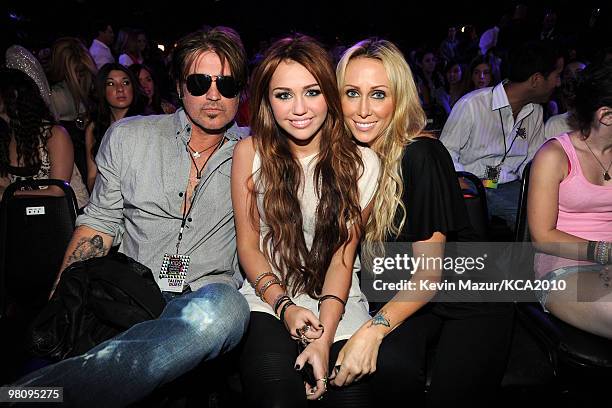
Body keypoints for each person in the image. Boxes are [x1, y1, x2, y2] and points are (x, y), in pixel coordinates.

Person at [11, 26, 251, 406]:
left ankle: (41, 396)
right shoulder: (129, 137)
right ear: (178, 83)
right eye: (200, 81)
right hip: (129, 294)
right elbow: (99, 223)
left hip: (204, 303)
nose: (213, 95)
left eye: (227, 83)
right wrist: (61, 301)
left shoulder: (258, 155)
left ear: (242, 89)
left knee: (227, 310)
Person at [334, 38, 514, 407]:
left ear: (399, 99)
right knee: (391, 369)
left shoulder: (421, 154)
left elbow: (428, 276)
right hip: (404, 294)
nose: (364, 109)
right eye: (352, 93)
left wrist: (371, 331)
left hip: (469, 299)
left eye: (379, 94)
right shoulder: (347, 159)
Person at [233, 34, 380, 406]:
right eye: (283, 95)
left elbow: (342, 258)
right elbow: (249, 247)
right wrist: (285, 307)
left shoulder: (363, 164)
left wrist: (324, 338)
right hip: (267, 299)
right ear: (267, 101)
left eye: (311, 92)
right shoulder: (249, 154)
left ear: (329, 95)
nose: (299, 108)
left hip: (338, 303)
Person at [440, 40, 563, 232]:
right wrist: (465, 182)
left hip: (510, 185)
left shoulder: (535, 112)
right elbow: (446, 152)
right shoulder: (473, 105)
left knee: (547, 218)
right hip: (471, 185)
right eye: (556, 76)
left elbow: (532, 161)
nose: (558, 82)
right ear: (536, 79)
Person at [529, 61, 612, 339]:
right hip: (565, 264)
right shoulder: (555, 155)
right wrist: (606, 252)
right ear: (606, 115)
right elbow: (542, 236)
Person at [0, 68, 89, 208]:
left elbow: (57, 191)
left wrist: (10, 194)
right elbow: (3, 183)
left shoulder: (54, 134)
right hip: (24, 217)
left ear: (13, 96)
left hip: (64, 216)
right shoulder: (6, 136)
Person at [85, 63, 145, 191]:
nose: (120, 89)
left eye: (126, 83)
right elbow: (92, 177)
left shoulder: (144, 124)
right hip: (105, 199)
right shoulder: (94, 127)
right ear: (102, 90)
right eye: (111, 84)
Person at [48, 37, 98, 185]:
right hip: (68, 160)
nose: (80, 76)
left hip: (88, 156)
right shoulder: (55, 95)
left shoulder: (92, 91)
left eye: (82, 72)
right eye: (77, 71)